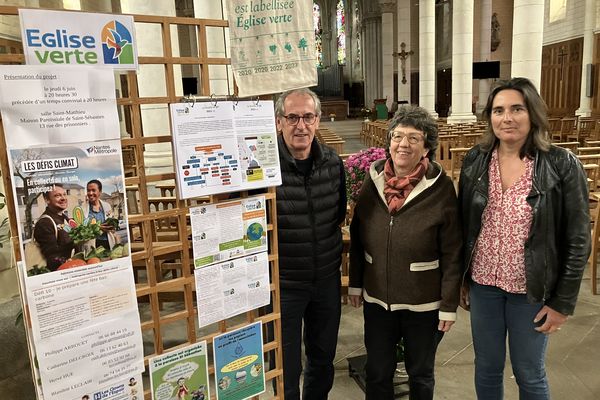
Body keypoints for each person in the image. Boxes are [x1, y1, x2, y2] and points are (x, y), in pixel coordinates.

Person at [458, 77, 591, 399]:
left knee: (528, 373)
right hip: (484, 285)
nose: (507, 118)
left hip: (530, 291)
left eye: (517, 108)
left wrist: (562, 302)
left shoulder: (561, 164)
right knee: (486, 367)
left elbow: (577, 239)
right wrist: (461, 278)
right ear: (489, 116)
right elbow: (465, 226)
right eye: (499, 110)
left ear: (532, 113)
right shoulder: (476, 160)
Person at [348, 105, 462, 400]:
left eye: (414, 138)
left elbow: (452, 251)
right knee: (377, 372)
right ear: (389, 142)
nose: (404, 144)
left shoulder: (441, 188)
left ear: (426, 148)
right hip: (377, 300)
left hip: (423, 302)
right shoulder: (372, 182)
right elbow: (359, 238)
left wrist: (448, 304)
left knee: (420, 374)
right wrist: (356, 284)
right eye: (398, 136)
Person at [274, 87, 346, 400]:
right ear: (279, 122)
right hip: (285, 283)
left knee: (322, 359)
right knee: (285, 365)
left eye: (307, 117)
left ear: (317, 120)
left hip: (326, 280)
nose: (300, 126)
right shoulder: (262, 168)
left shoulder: (332, 162)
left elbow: (339, 213)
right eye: (292, 118)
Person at [33, 184, 75, 271]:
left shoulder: (65, 218)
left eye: (64, 194)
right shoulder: (45, 223)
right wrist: (67, 261)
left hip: (71, 267)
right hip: (60, 273)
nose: (63, 198)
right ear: (47, 199)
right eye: (57, 195)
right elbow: (52, 257)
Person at [82, 179, 117, 250]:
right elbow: (81, 230)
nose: (90, 193)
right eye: (88, 190)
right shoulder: (82, 209)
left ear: (100, 192)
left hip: (108, 242)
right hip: (92, 245)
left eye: (93, 190)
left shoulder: (107, 206)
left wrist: (112, 226)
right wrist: (97, 228)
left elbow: (112, 223)